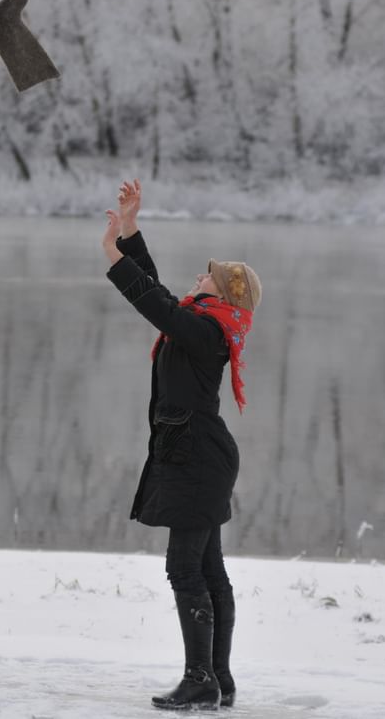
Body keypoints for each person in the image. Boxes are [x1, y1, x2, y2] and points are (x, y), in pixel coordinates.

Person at [101, 180, 261, 711]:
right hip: (197, 453)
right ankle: (218, 679)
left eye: (208, 275)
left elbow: (160, 306)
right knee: (207, 569)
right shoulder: (205, 323)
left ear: (221, 293)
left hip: (197, 458)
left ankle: (201, 680)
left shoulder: (205, 331)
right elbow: (166, 297)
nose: (199, 275)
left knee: (186, 569)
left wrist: (113, 259)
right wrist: (130, 231)